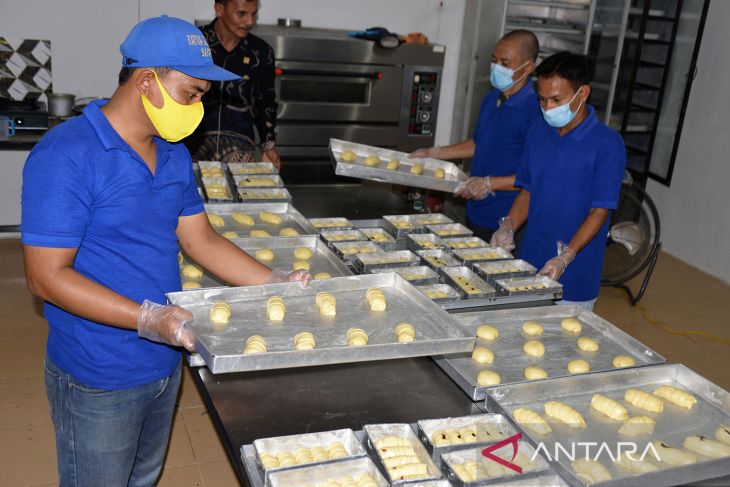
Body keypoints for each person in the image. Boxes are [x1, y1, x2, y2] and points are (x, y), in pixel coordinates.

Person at [21, 16, 309, 486]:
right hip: (100, 371)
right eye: (190, 94)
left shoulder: (172, 150)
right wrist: (147, 318)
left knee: (143, 477)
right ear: (146, 81)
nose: (196, 107)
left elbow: (200, 240)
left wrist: (274, 283)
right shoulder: (67, 154)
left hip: (165, 357)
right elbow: (45, 276)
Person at [490, 52, 626, 310]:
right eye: (542, 99)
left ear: (582, 93)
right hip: (529, 261)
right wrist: (508, 224)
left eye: (556, 99)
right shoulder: (539, 132)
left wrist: (565, 258)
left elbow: (599, 210)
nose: (548, 108)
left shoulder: (607, 144)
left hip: (575, 273)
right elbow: (528, 190)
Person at [410, 30, 543, 242]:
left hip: (508, 221)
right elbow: (478, 144)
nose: (496, 68)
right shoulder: (492, 98)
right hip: (476, 211)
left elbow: (535, 176)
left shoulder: (535, 112)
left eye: (505, 63)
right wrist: (433, 153)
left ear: (527, 68)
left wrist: (489, 183)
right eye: (494, 60)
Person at [186, 0, 280, 168]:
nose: (250, 22)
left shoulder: (261, 52)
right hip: (192, 148)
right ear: (219, 9)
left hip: (240, 154)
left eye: (253, 14)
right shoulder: (194, 43)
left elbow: (266, 103)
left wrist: (269, 145)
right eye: (242, 13)